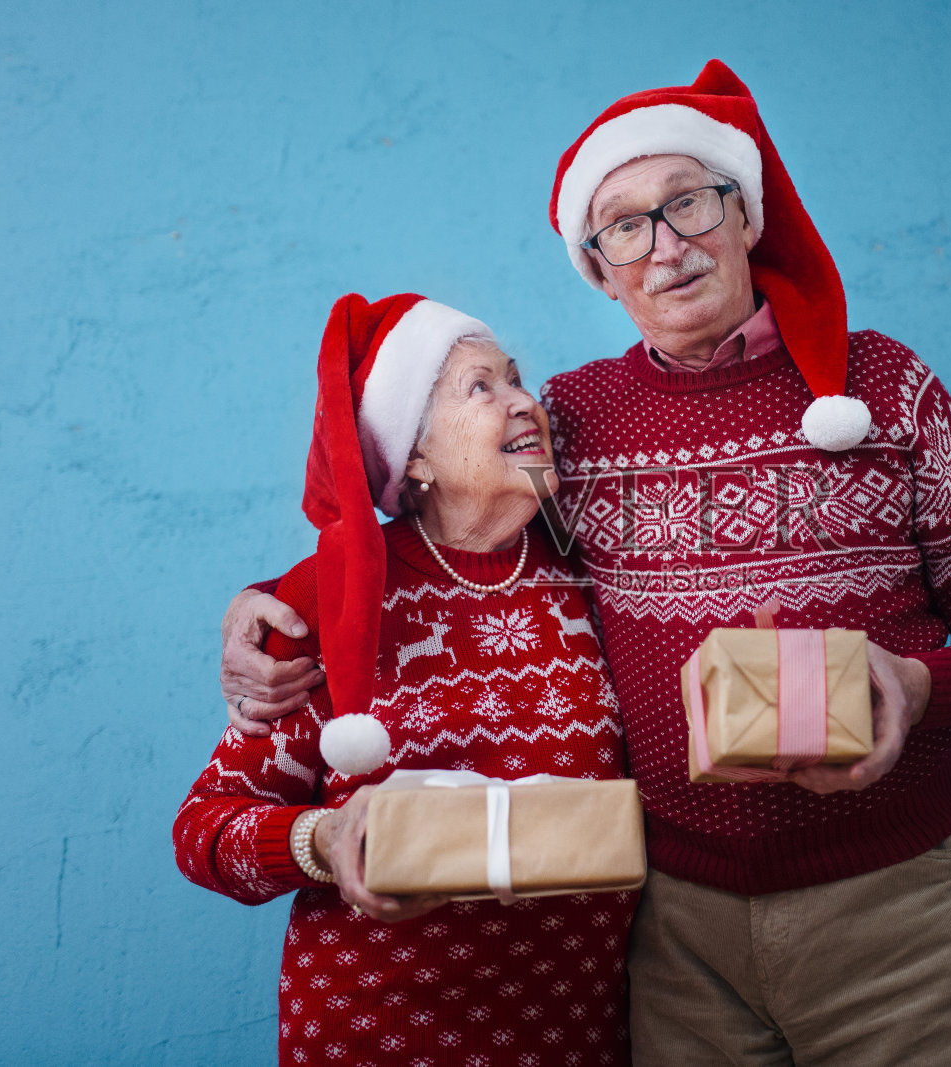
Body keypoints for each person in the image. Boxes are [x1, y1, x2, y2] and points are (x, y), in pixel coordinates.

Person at [224, 62, 951, 1065]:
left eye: (688, 204)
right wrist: (271, 605)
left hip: (891, 909)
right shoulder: (571, 422)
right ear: (600, 268)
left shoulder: (884, 385)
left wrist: (918, 684)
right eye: (624, 227)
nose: (664, 246)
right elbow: (445, 535)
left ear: (744, 215)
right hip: (674, 933)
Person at [175, 293, 634, 1067]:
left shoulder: (596, 575)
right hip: (380, 1032)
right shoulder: (335, 598)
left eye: (518, 379)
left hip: (581, 1033)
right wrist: (322, 840)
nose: (525, 400)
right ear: (413, 457)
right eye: (480, 387)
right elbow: (203, 830)